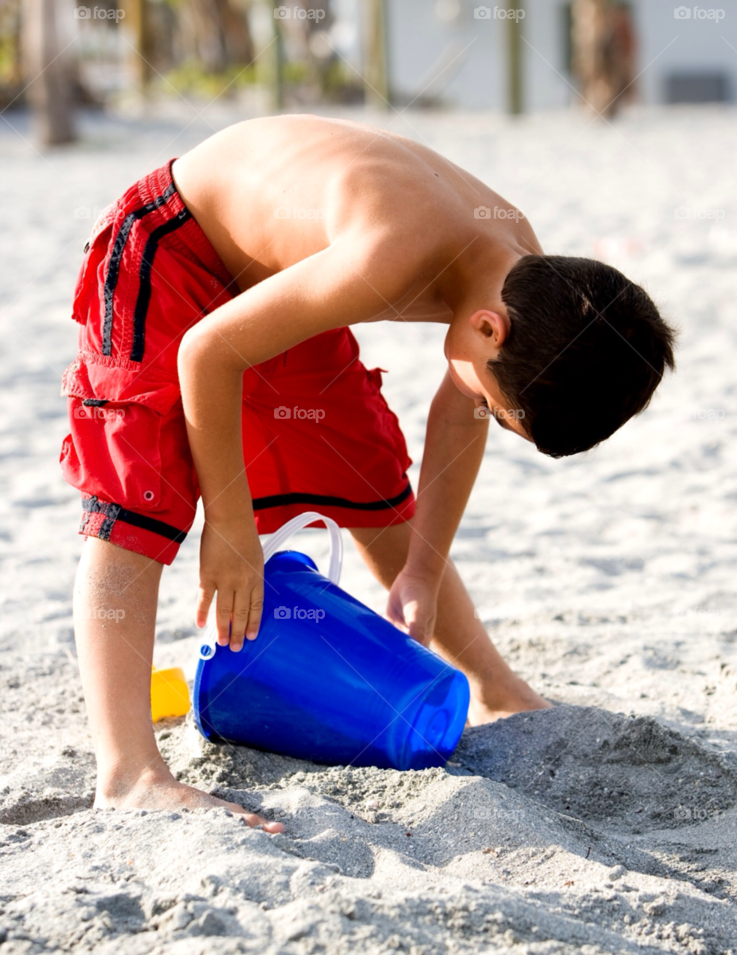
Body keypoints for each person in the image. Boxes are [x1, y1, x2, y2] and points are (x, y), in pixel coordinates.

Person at [63, 115, 676, 832]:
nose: (480, 406)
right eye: (494, 401)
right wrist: (227, 528)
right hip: (171, 248)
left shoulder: (526, 277)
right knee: (139, 497)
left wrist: (419, 570)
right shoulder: (390, 256)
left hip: (287, 284)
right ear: (488, 330)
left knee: (368, 478)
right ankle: (129, 773)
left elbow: (457, 411)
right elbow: (206, 354)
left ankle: (496, 688)